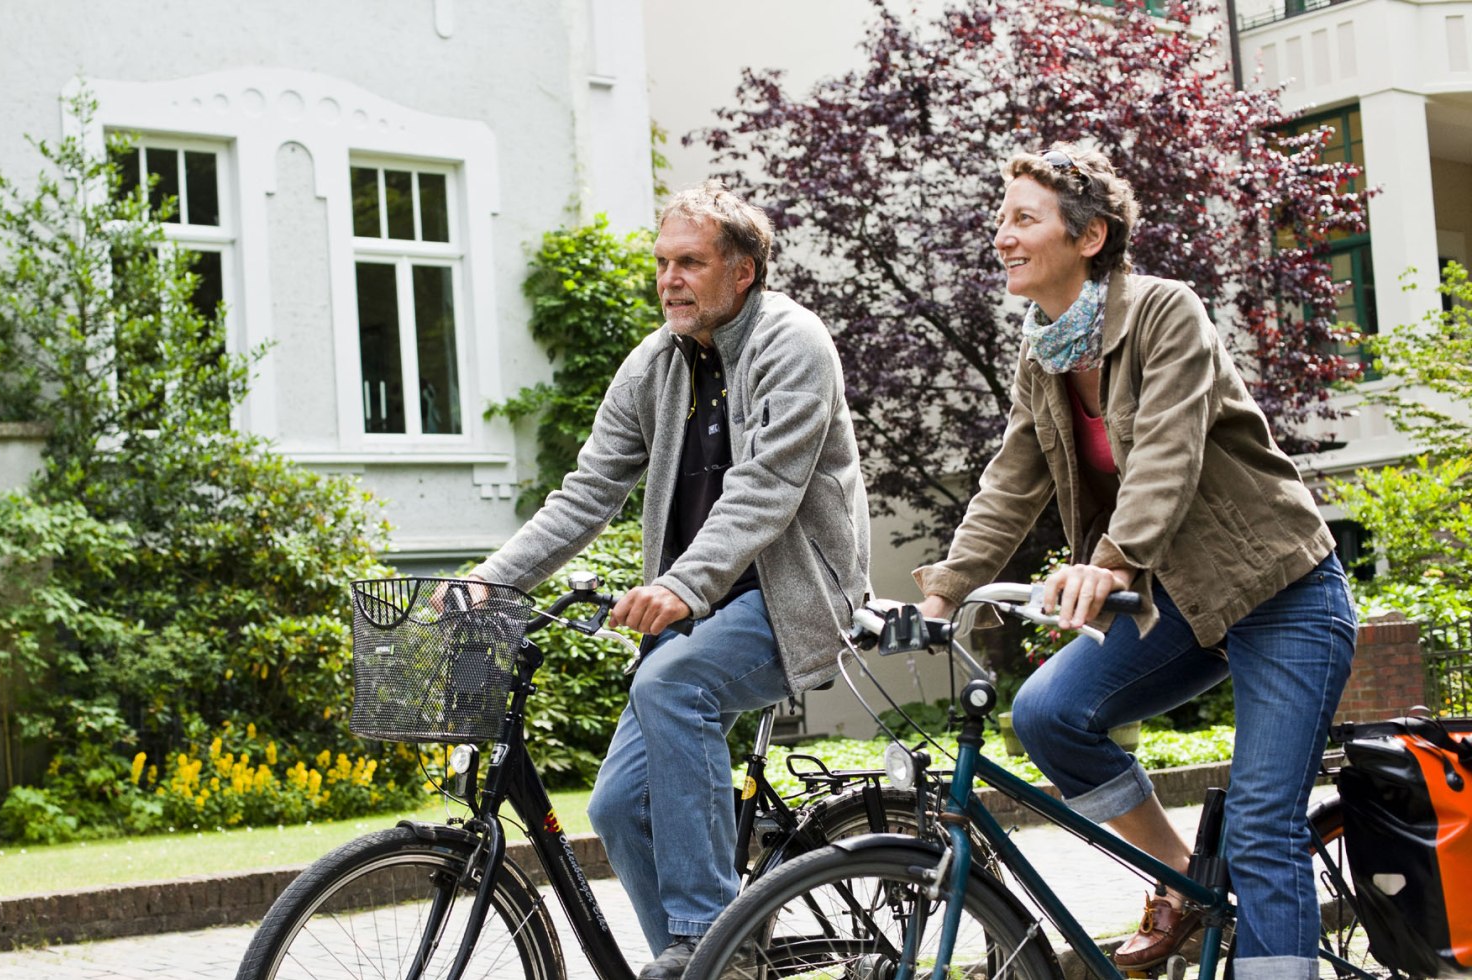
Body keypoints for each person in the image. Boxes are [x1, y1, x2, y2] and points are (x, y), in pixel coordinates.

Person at [912, 145, 1355, 979]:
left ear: (1090, 237)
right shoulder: (1042, 355)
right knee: (1047, 712)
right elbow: (1010, 482)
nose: (1001, 236)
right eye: (1000, 219)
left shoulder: (1164, 312)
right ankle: (1183, 879)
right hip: (1182, 599)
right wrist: (943, 593)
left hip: (1281, 589)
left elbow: (1167, 453)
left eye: (1022, 218)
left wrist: (1109, 564)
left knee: (1262, 825)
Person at [472, 181, 872, 980]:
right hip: (700, 607)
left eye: (690, 262)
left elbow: (765, 487)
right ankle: (705, 967)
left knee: (674, 682)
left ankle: (707, 937)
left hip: (794, 599)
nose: (670, 279)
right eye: (662, 263)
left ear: (743, 271)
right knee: (619, 808)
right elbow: (587, 492)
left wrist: (683, 586)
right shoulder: (654, 364)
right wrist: (491, 580)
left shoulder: (793, 344)